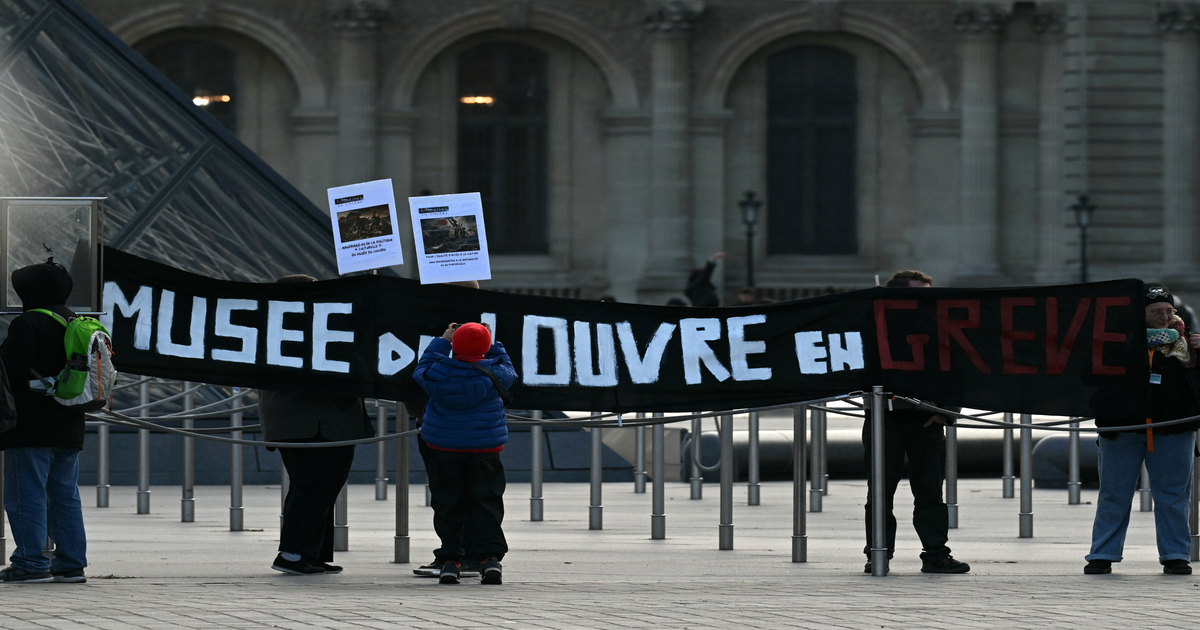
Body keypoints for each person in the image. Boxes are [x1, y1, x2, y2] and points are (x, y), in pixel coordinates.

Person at [260, 274, 374, 576]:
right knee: (315, 486)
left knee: (314, 486)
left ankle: (311, 553)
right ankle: (293, 553)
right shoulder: (301, 328)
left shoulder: (277, 326)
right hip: (316, 422)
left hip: (308, 422)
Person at [1084, 282, 1200, 575]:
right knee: (1114, 493)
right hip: (1122, 426)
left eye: (1168, 310)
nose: (1164, 317)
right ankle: (1102, 554)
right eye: (1156, 312)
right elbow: (1088, 375)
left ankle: (1176, 555)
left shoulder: (1187, 343)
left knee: (1174, 496)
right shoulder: (1115, 340)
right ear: (1140, 313)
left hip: (1174, 427)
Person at [862, 269, 969, 574]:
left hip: (926, 420)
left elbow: (957, 371)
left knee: (930, 492)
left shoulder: (940, 329)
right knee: (880, 492)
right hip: (884, 419)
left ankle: (935, 553)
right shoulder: (875, 328)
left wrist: (945, 412)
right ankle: (878, 552)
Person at [0, 259, 88, 583]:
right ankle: (71, 564)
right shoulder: (77, 322)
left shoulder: (28, 323)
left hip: (30, 428)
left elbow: (9, 372)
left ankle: (31, 563)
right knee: (65, 496)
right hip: (70, 424)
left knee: (26, 495)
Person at [413, 321, 516, 585]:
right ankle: (490, 559)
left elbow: (421, 368)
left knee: (448, 503)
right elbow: (508, 367)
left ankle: (450, 561)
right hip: (485, 449)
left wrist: (443, 341)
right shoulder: (497, 373)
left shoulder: (438, 371)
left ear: (454, 345)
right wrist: (491, 342)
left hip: (444, 448)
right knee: (486, 503)